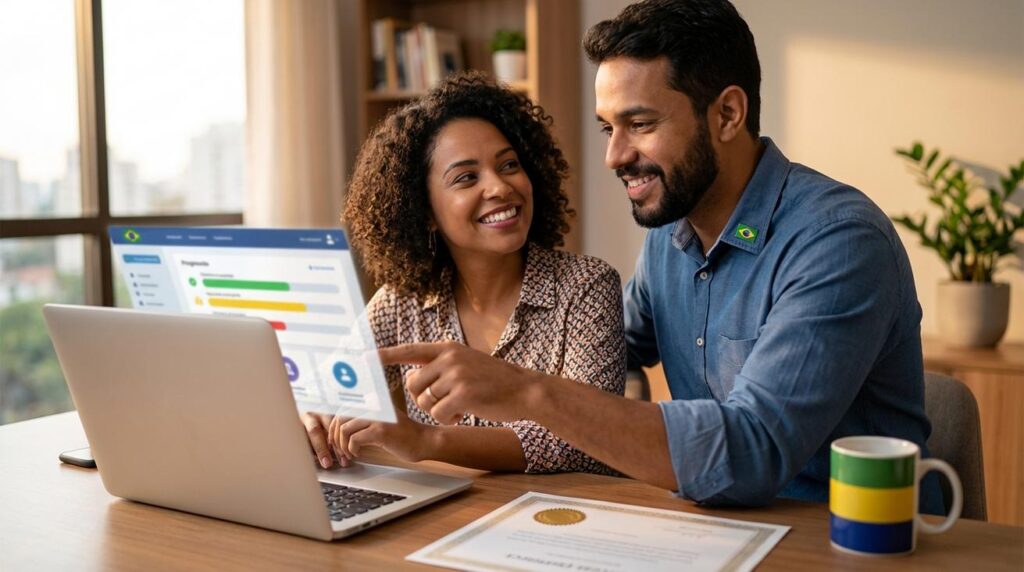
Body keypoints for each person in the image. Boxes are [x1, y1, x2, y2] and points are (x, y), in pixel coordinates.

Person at [381, 0, 944, 513]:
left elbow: (751, 452)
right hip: (712, 528)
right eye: (608, 127)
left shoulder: (837, 241)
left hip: (848, 537)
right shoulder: (671, 236)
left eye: (640, 124)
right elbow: (606, 346)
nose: (614, 155)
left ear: (726, 115)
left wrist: (528, 392)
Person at [302, 71, 626, 475]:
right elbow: (332, 383)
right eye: (466, 177)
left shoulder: (586, 287)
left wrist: (426, 441)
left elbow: (592, 438)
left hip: (560, 520)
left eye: (509, 165)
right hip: (448, 517)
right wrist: (311, 408)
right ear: (425, 213)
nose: (500, 187)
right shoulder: (404, 300)